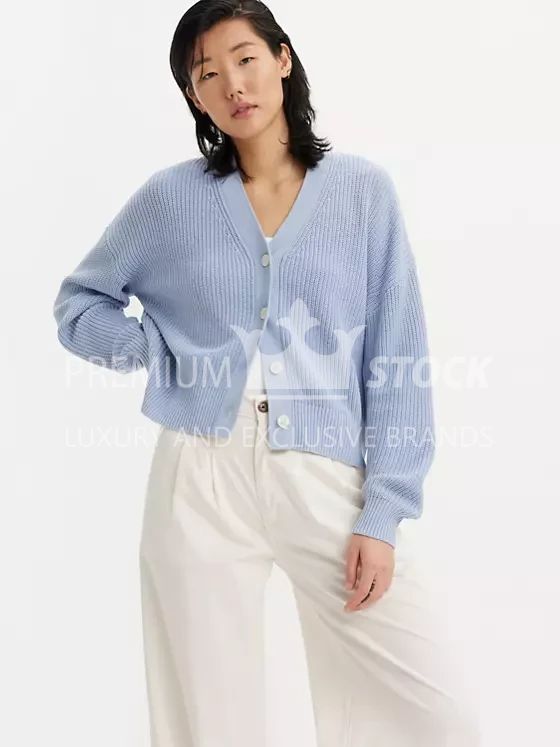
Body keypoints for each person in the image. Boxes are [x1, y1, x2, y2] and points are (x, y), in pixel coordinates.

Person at [53, 1, 480, 745]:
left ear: (283, 59)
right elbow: (78, 305)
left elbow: (397, 357)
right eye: (206, 74)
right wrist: (157, 352)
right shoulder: (171, 198)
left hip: (325, 471)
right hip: (199, 473)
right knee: (208, 715)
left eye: (245, 59)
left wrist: (382, 512)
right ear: (195, 97)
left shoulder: (361, 192)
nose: (232, 85)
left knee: (435, 714)